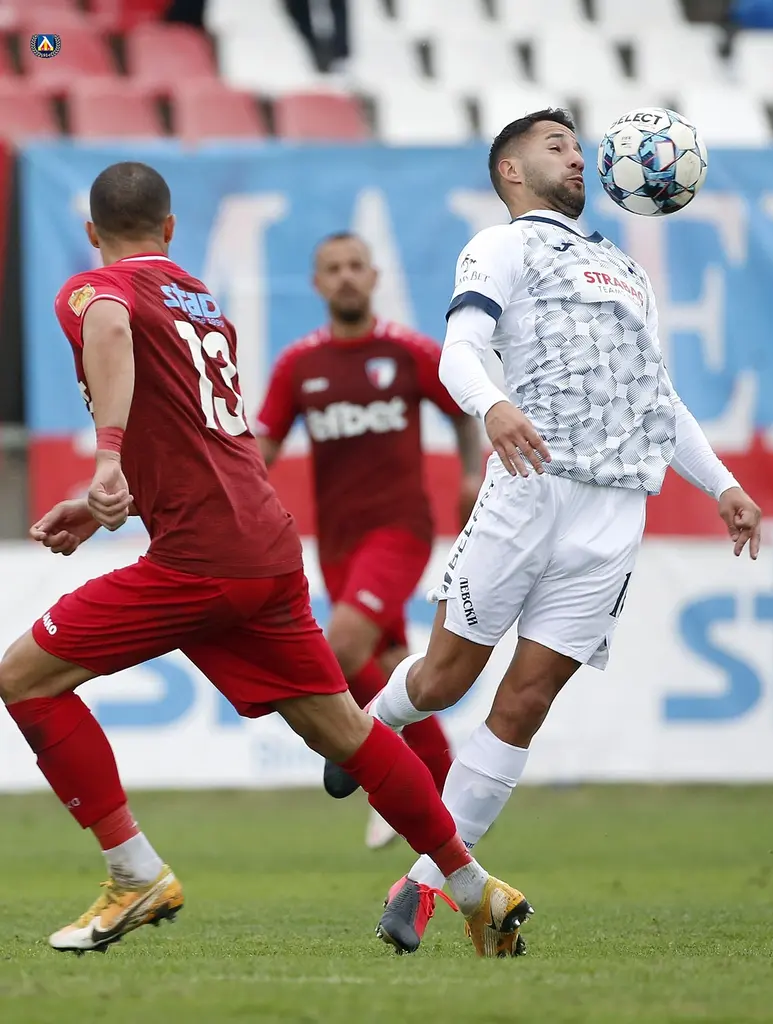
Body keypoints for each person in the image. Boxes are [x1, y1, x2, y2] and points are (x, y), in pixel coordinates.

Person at [0, 161, 531, 958]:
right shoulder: (199, 303)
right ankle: (471, 886)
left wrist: (106, 459)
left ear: (91, 234)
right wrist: (119, 496)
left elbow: (106, 325)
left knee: (24, 679)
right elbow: (208, 448)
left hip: (198, 562)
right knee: (344, 729)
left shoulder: (95, 289)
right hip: (265, 551)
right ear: (170, 229)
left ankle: (133, 872)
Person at [323, 109, 763, 952]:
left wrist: (723, 483)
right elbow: (460, 349)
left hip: (613, 514)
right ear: (511, 171)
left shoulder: (626, 270)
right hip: (529, 490)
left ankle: (420, 887)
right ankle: (367, 728)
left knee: (524, 704)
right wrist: (493, 406)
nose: (576, 156)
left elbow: (657, 398)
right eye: (555, 145)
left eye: (577, 146)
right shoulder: (501, 246)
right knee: (445, 680)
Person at [256, 232, 482, 850]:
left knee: (343, 644)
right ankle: (434, 795)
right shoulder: (299, 364)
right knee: (385, 667)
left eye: (356, 265)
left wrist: (470, 475)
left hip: (399, 532)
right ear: (317, 283)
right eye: (333, 268)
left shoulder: (406, 351)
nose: (346, 277)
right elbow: (262, 448)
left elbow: (463, 411)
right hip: (336, 545)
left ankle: (378, 770)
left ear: (375, 275)